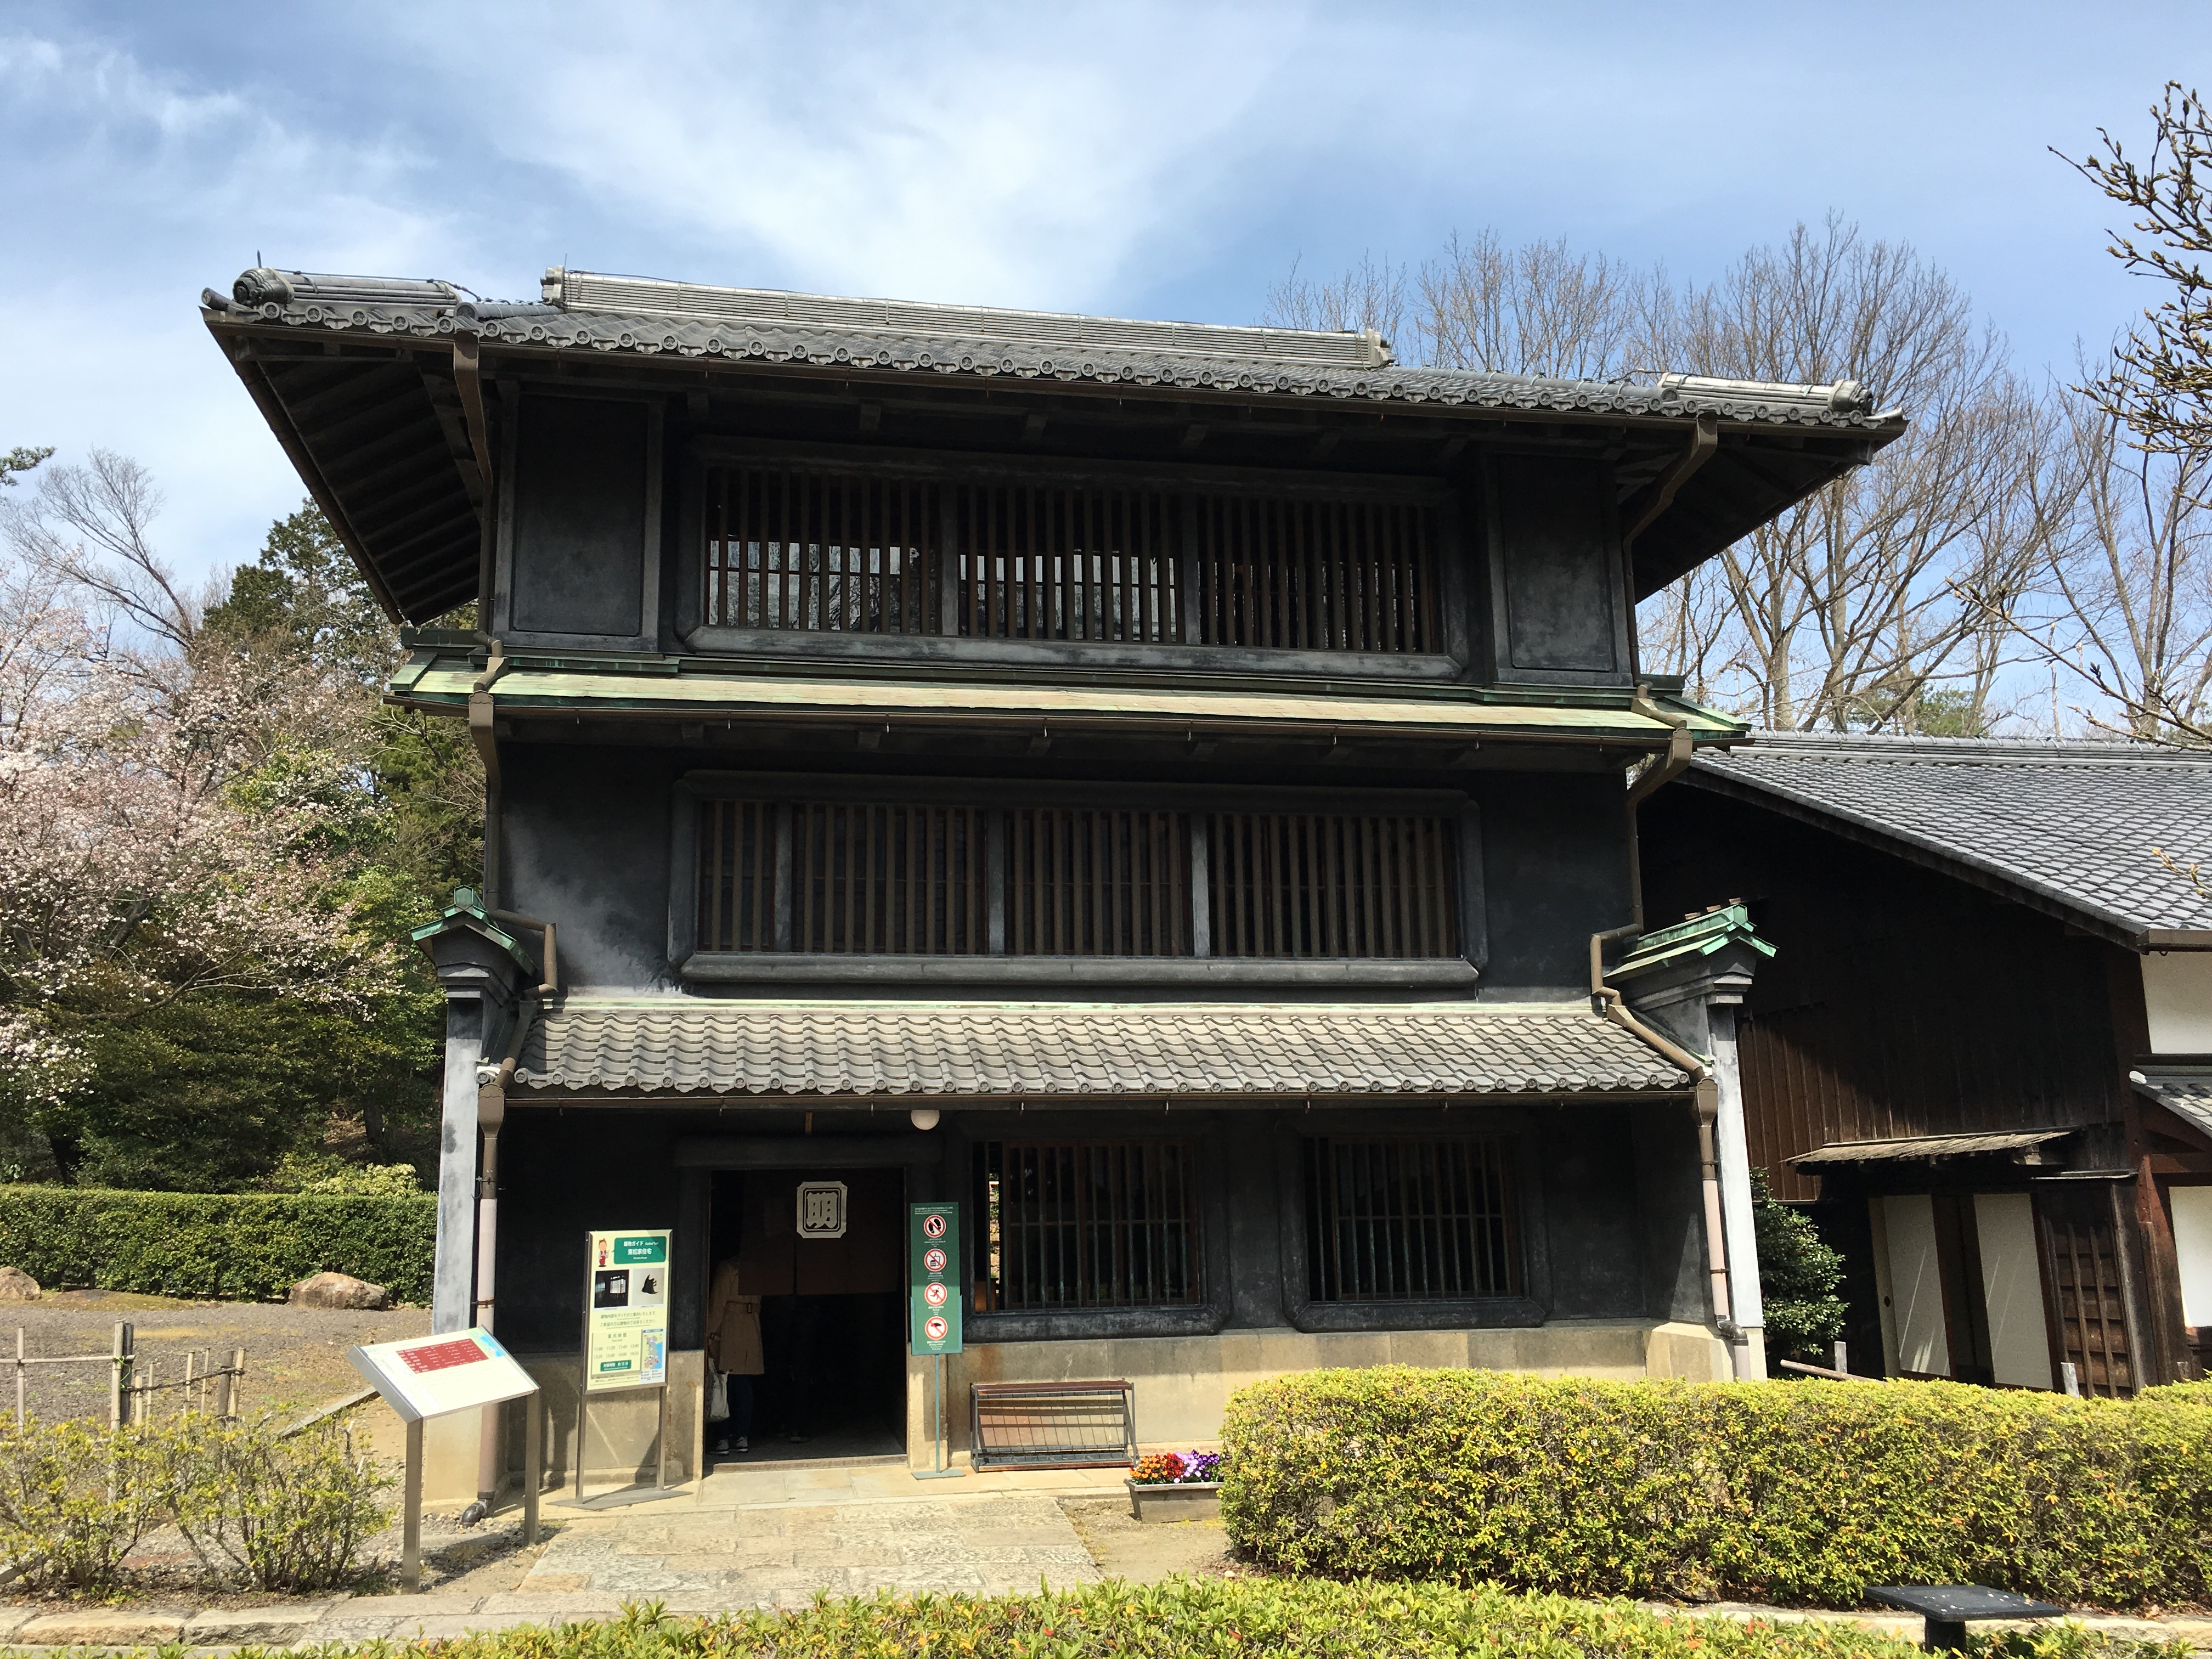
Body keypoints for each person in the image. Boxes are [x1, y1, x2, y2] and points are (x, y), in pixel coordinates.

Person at [704, 1255, 763, 1457]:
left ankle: (722, 1439)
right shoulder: (758, 1267)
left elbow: (718, 1302)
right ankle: (742, 1436)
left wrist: (710, 1333)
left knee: (723, 1384)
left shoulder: (728, 1268)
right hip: (752, 1325)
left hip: (729, 1328)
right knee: (744, 1384)